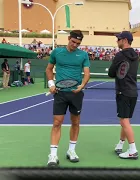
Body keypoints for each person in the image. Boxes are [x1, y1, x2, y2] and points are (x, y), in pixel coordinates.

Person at [45, 30, 90, 167]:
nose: (75, 45)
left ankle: (71, 151)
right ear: (69, 39)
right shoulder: (56, 52)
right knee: (57, 122)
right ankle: (53, 155)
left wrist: (82, 85)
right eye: (73, 41)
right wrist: (51, 84)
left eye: (78, 43)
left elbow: (87, 73)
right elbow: (49, 69)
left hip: (76, 93)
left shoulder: (83, 55)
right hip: (60, 93)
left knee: (75, 122)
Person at [108, 31, 139, 160]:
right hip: (133, 92)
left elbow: (111, 73)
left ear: (125, 40)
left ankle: (133, 150)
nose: (117, 41)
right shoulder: (136, 55)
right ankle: (120, 145)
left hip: (123, 92)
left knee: (123, 120)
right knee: (125, 119)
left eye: (118, 39)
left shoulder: (120, 55)